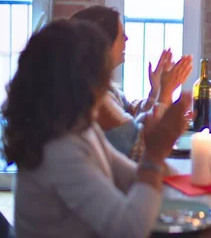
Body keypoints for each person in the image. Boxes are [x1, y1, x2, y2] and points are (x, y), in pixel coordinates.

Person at [3, 19, 190, 237]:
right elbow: (130, 229)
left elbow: (133, 178)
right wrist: (155, 154)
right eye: (102, 75)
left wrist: (160, 154)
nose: (106, 85)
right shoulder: (58, 151)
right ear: (80, 82)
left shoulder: (81, 129)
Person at [70, 6, 192, 160]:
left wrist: (156, 91)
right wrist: (166, 94)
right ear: (105, 45)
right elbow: (141, 149)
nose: (126, 39)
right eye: (122, 35)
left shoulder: (102, 88)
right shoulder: (97, 100)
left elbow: (132, 114)